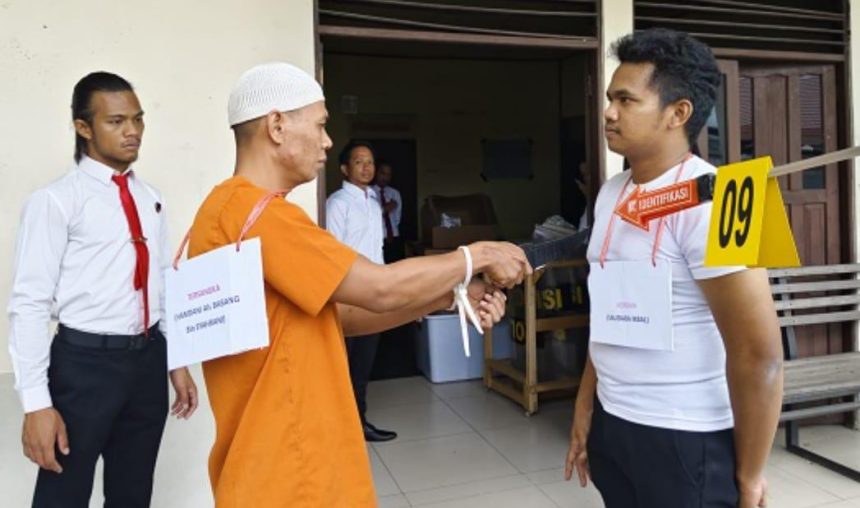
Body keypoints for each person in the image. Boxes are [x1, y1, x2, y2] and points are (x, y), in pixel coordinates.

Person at [187, 62, 531, 507]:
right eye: (321, 125)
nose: (328, 142)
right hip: (291, 473)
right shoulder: (261, 215)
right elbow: (380, 288)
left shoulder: (226, 209)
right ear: (276, 126)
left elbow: (344, 316)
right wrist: (478, 255)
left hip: (281, 464)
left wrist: (456, 293)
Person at [563, 29, 783, 508]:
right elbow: (608, 315)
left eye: (625, 100)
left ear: (677, 113)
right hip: (614, 425)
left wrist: (750, 476)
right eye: (609, 98)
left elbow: (758, 355)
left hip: (686, 437)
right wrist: (585, 407)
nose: (608, 112)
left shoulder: (725, 199)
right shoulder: (611, 192)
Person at [8, 72, 198, 508]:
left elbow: (163, 284)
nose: (132, 131)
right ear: (83, 128)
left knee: (133, 490)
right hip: (83, 366)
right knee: (63, 493)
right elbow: (30, 303)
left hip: (147, 360)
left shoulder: (152, 198)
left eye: (137, 119)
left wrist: (177, 362)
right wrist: (36, 404)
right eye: (115, 121)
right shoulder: (56, 201)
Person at [326, 140, 395, 442]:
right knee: (342, 364)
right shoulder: (338, 203)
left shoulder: (374, 202)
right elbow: (331, 252)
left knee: (363, 364)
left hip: (373, 292)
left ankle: (359, 422)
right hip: (348, 295)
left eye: (370, 162)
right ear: (344, 168)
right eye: (359, 162)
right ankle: (342, 428)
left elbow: (375, 249)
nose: (367, 167)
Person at [372, 159, 405, 262]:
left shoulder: (395, 193)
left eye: (388, 175)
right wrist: (384, 210)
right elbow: (368, 217)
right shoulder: (368, 193)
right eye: (383, 173)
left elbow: (397, 219)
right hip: (375, 238)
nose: (385, 177)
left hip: (393, 237)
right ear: (376, 173)